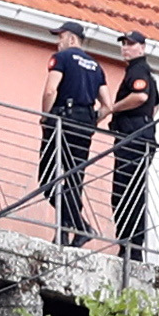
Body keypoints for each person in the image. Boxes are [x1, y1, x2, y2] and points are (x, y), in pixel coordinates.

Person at [40, 20, 101, 246]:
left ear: (72, 39)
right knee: (73, 180)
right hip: (85, 125)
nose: (58, 42)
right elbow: (106, 104)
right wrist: (93, 119)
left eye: (61, 37)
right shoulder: (96, 67)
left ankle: (81, 226)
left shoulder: (63, 59)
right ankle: (65, 233)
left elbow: (50, 90)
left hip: (62, 121)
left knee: (48, 179)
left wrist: (45, 117)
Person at [105, 31, 159, 257]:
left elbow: (141, 97)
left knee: (124, 192)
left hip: (134, 137)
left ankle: (130, 248)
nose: (125, 48)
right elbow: (155, 106)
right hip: (140, 135)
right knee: (132, 192)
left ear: (142, 47)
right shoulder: (146, 72)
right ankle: (131, 247)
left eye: (130, 44)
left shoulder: (138, 70)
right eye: (124, 44)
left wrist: (113, 108)